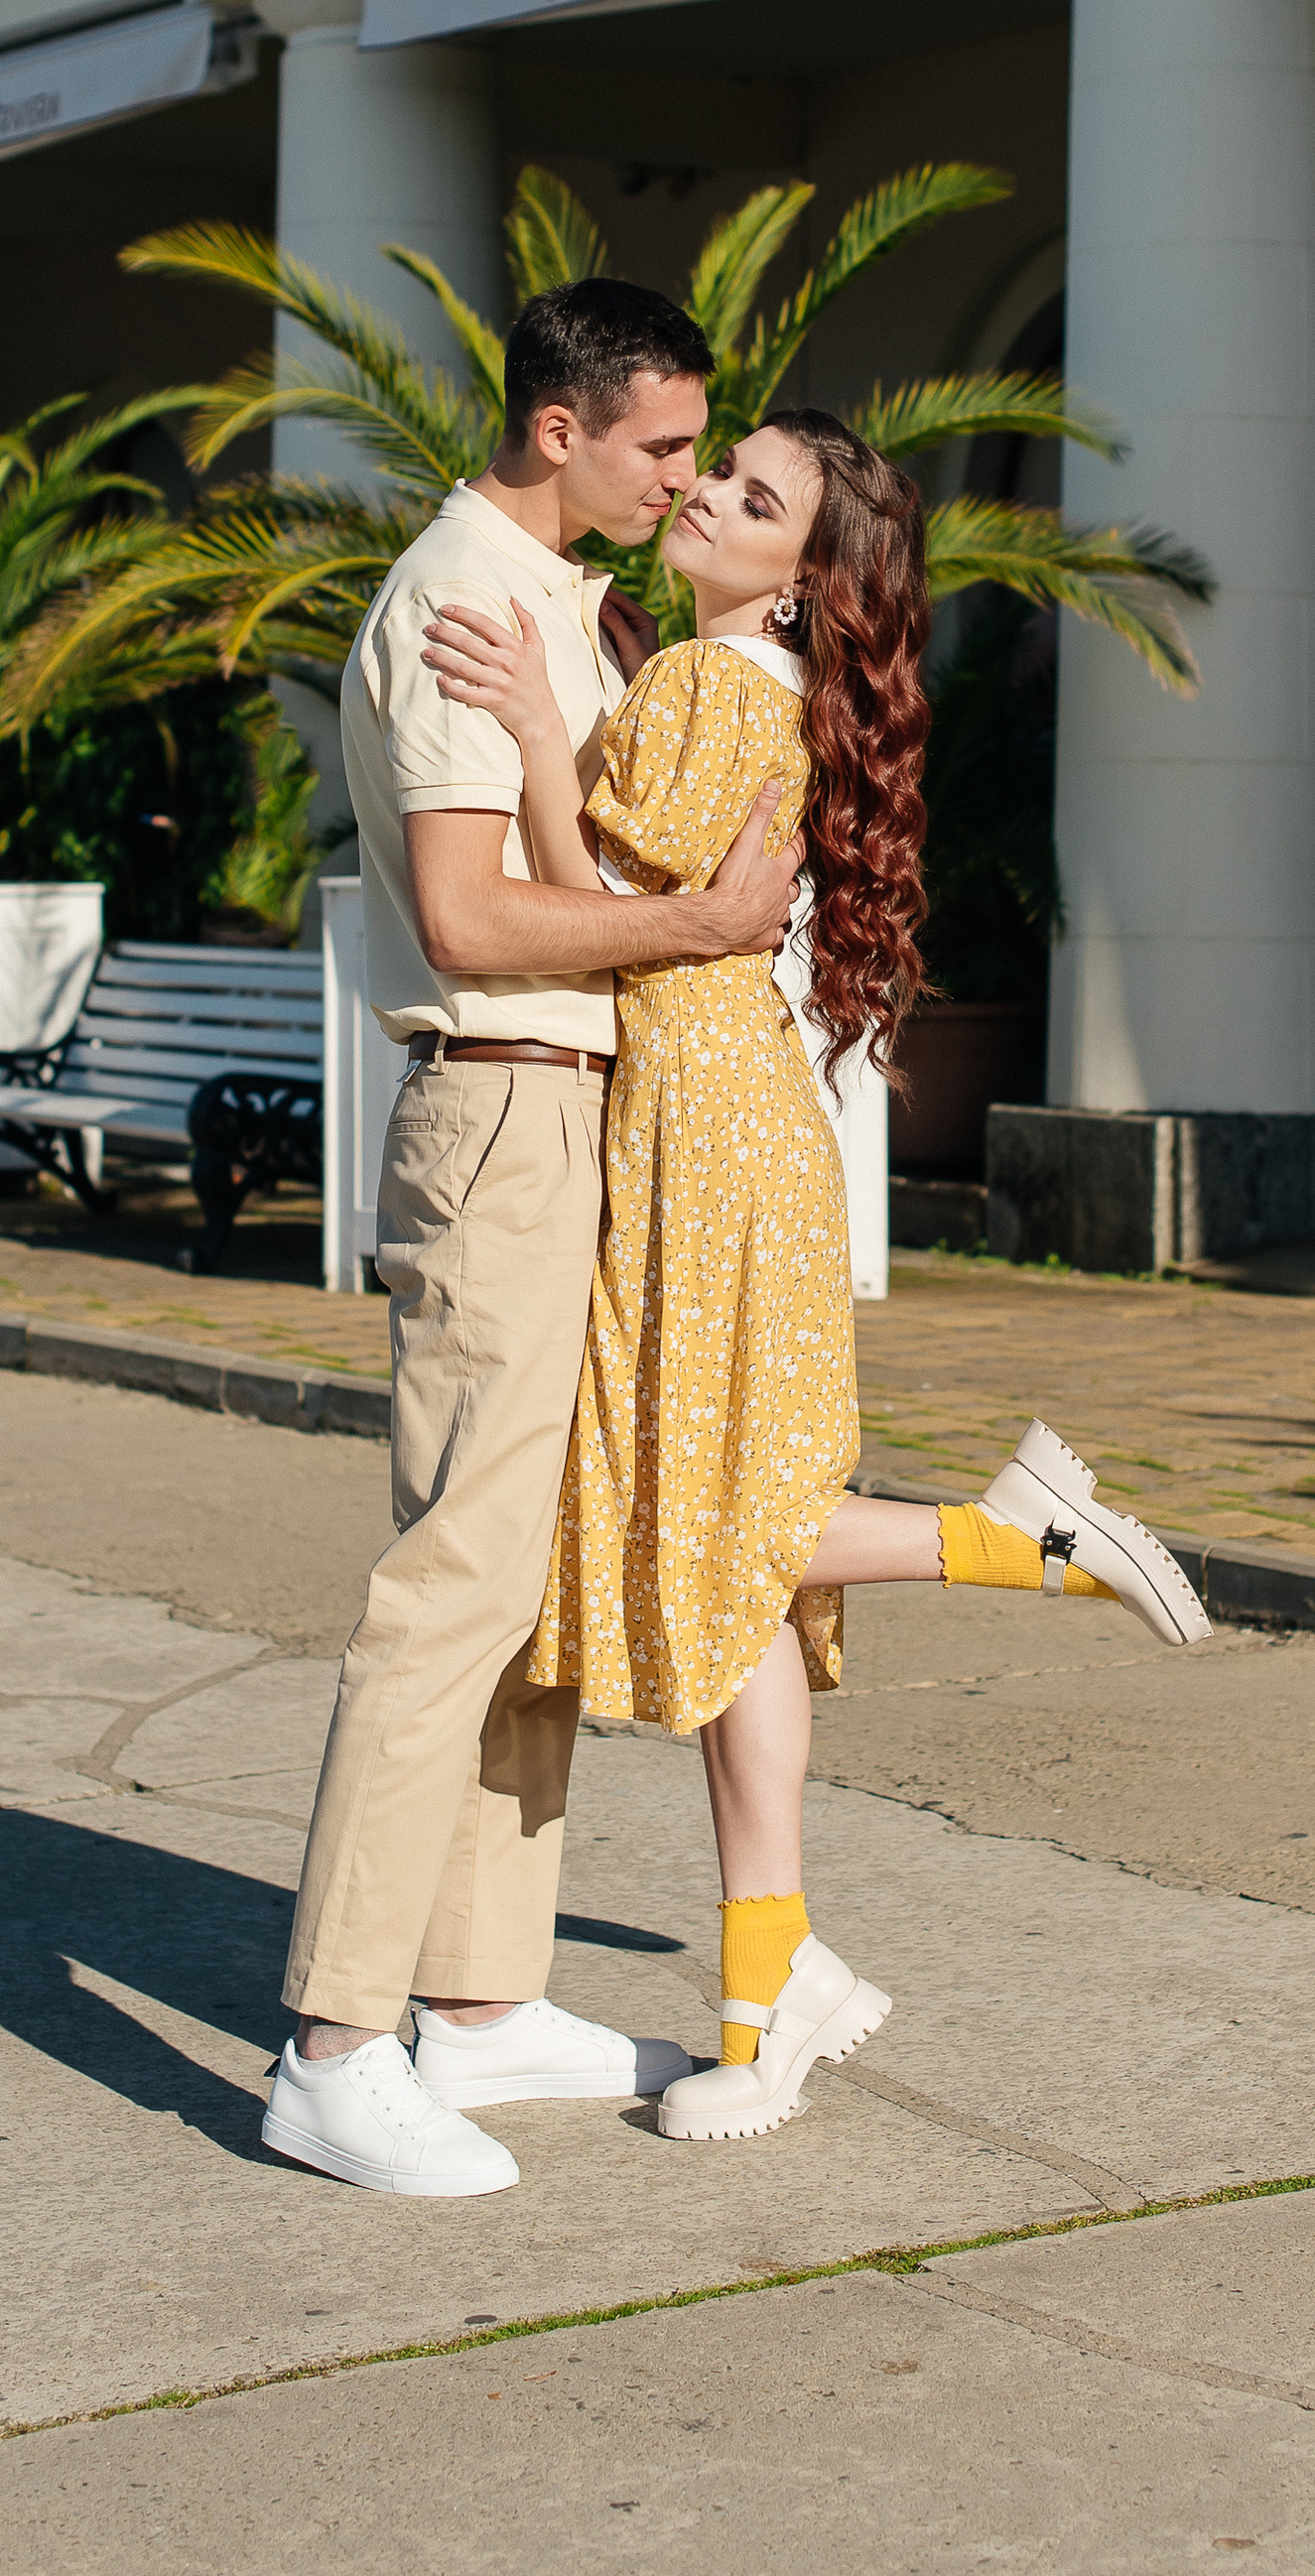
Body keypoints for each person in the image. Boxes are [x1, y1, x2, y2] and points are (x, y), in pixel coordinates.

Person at [424, 406, 1212, 2149]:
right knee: (748, 1594)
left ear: (801, 584)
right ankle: (767, 1993)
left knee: (723, 1526)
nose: (705, 493)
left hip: (701, 1130)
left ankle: (1031, 1539)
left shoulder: (717, 692)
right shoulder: (727, 685)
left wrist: (545, 720)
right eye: (719, 471)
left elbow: (579, 888)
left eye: (754, 498)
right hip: (737, 1124)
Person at [262, 279, 804, 2201]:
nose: (682, 478)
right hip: (501, 1102)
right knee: (454, 1578)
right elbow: (473, 920)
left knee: (538, 1571)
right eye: (663, 445)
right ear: (558, 427)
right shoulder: (461, 602)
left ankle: (482, 2002)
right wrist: (693, 930)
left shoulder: (569, 602)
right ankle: (331, 2043)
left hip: (583, 1111)